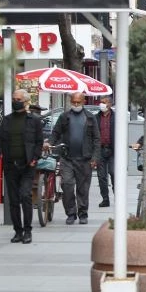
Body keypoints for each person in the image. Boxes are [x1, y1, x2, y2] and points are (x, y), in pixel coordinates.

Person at [0, 89, 44, 244]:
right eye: (14, 99)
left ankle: (28, 231)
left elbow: (39, 142)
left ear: (26, 101)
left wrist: (35, 158)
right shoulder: (7, 120)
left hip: (27, 165)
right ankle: (18, 231)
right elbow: (0, 140)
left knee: (25, 195)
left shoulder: (34, 120)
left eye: (18, 99)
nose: (16, 101)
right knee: (13, 200)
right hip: (10, 165)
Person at [48, 92, 100, 225]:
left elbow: (96, 139)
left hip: (85, 159)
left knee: (83, 189)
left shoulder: (90, 117)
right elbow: (56, 132)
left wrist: (95, 157)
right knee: (67, 185)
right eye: (74, 102)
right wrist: (50, 142)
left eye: (78, 102)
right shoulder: (64, 116)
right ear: (71, 102)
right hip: (67, 158)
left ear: (83, 102)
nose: (76, 105)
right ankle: (71, 213)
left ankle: (83, 213)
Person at [95, 96, 115, 207]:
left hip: (113, 150)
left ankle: (117, 197)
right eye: (101, 102)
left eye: (104, 102)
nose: (102, 104)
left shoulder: (116, 117)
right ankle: (105, 199)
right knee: (101, 176)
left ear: (110, 104)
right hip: (100, 150)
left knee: (113, 173)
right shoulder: (96, 118)